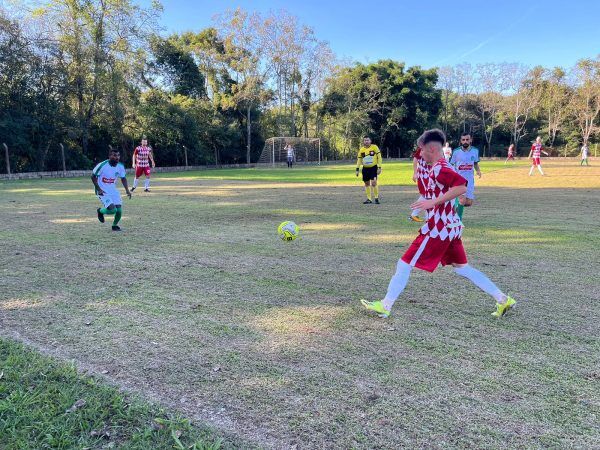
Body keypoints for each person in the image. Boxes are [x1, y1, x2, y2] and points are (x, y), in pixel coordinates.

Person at [360, 128, 516, 319]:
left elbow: (461, 186)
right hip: (451, 227)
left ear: (432, 150)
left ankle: (385, 305)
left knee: (404, 264)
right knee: (462, 268)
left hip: (438, 228)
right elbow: (421, 154)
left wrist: (431, 203)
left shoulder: (442, 167)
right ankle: (503, 299)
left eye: (422, 151)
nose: (419, 155)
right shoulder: (430, 161)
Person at [92, 148, 131, 231]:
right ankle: (100, 211)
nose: (116, 157)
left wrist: (127, 190)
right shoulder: (102, 165)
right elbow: (93, 176)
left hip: (113, 190)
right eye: (114, 155)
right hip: (102, 190)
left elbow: (123, 178)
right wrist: (98, 189)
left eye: (118, 155)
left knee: (119, 210)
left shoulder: (120, 166)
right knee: (113, 210)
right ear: (109, 156)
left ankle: (114, 226)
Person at [450, 132, 481, 219]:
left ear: (470, 140)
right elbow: (451, 164)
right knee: (462, 200)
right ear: (461, 141)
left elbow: (475, 163)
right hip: (459, 180)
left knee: (468, 202)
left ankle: (453, 206)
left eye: (467, 139)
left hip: (470, 180)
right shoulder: (456, 152)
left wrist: (478, 171)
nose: (465, 141)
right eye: (463, 140)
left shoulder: (475, 151)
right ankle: (458, 220)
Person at [355, 136, 382, 204]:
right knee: (367, 183)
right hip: (365, 169)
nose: (366, 141)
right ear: (363, 142)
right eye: (365, 140)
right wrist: (357, 169)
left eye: (367, 140)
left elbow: (379, 157)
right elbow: (359, 160)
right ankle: (369, 199)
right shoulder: (361, 150)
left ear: (370, 141)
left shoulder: (374, 147)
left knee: (374, 182)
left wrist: (379, 167)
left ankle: (376, 198)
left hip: (373, 168)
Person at [409, 142, 429, 222]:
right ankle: (428, 217)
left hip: (431, 175)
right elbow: (415, 159)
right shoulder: (422, 149)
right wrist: (415, 173)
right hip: (424, 176)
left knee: (427, 195)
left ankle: (414, 214)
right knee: (427, 195)